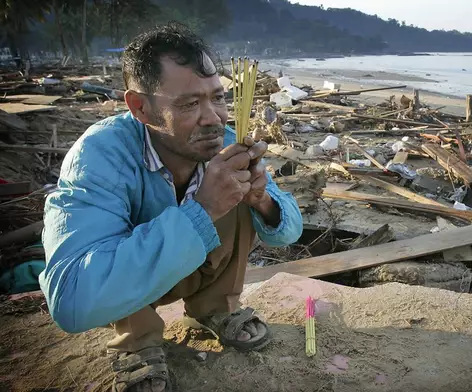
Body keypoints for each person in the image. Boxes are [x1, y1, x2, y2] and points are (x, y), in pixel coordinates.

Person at [38, 23, 303, 392]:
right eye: (190, 104)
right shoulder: (100, 157)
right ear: (140, 107)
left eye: (218, 97)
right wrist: (204, 208)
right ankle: (137, 339)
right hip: (133, 289)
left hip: (194, 267)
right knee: (137, 219)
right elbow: (73, 301)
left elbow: (290, 232)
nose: (213, 117)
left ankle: (213, 307)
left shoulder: (224, 144)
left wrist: (263, 201)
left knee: (237, 187)